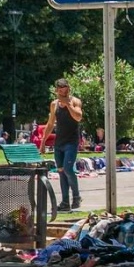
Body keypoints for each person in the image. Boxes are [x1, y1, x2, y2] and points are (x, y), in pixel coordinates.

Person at [39, 78, 83, 211]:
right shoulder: (54, 104)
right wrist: (43, 142)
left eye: (66, 91)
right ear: (57, 91)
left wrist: (68, 105)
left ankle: (76, 197)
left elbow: (78, 117)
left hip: (71, 141)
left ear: (69, 89)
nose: (64, 94)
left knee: (68, 169)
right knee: (61, 171)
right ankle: (65, 202)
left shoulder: (75, 101)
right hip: (59, 142)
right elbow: (51, 123)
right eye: (61, 92)